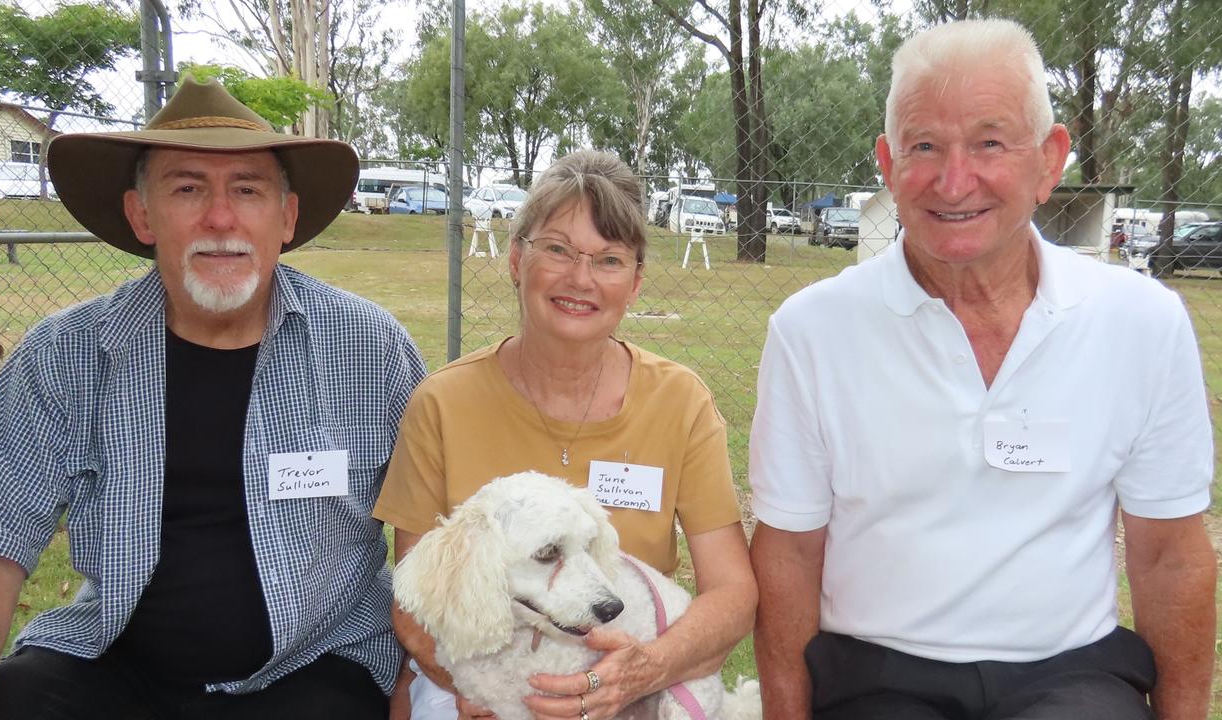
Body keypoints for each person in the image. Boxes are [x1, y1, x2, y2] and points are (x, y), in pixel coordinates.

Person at [749, 18, 1216, 720]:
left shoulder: (1141, 323)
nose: (954, 179)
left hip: (1069, 675)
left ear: (1049, 160)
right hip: (878, 677)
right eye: (925, 145)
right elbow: (787, 556)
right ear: (887, 163)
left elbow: (1169, 556)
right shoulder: (811, 331)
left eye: (989, 143)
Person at [0, 78, 426, 720]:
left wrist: (417, 681)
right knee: (21, 701)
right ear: (142, 215)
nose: (220, 218)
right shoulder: (64, 355)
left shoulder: (371, 349)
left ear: (286, 218)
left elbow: (432, 532)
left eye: (248, 190)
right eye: (188, 187)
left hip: (315, 666)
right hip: (114, 661)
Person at [373, 150, 757, 720]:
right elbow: (416, 603)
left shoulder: (680, 403)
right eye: (557, 249)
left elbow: (733, 593)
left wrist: (647, 667)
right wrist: (480, 691)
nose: (581, 279)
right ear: (514, 259)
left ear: (635, 282)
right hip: (478, 681)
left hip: (627, 676)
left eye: (609, 259)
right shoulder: (443, 404)